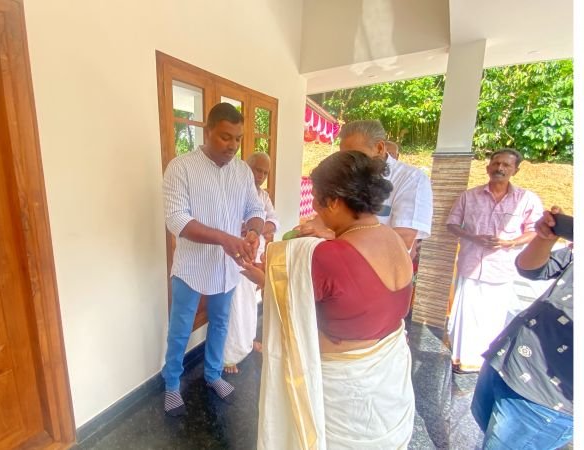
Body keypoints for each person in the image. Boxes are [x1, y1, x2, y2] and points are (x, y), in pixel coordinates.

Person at [243, 151, 415, 448]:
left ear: (334, 202)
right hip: (389, 390)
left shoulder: (327, 256)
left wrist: (262, 280)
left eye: (317, 200)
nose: (314, 210)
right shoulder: (394, 239)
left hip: (345, 397)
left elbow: (290, 305)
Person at [161, 103, 266, 416]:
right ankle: (171, 384)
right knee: (181, 329)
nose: (232, 145)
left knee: (221, 322)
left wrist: (253, 232)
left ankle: (213, 374)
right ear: (207, 132)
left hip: (227, 267)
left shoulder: (242, 171)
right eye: (225, 137)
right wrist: (223, 237)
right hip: (191, 268)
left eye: (238, 138)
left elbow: (255, 209)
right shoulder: (181, 168)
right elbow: (177, 220)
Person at [471, 206, 573, 449]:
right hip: (507, 361)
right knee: (487, 431)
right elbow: (531, 269)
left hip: (544, 396)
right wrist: (544, 239)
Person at [446, 148, 543, 373]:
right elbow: (452, 224)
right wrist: (473, 237)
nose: (500, 168)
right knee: (466, 316)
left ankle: (483, 361)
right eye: (496, 163)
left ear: (515, 170)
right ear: (488, 167)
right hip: (471, 265)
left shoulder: (526, 199)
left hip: (501, 268)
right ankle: (461, 359)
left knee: (492, 318)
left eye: (506, 165)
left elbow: (535, 230)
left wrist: (511, 242)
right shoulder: (469, 196)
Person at [298, 120, 432, 255]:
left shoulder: (413, 179)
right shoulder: (348, 172)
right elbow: (332, 211)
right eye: (345, 157)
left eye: (356, 155)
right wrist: (314, 226)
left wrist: (333, 235)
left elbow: (403, 240)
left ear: (379, 148)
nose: (349, 163)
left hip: (378, 264)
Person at [222, 152, 279, 374]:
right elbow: (228, 223)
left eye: (265, 172)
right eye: (257, 170)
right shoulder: (232, 191)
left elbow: (274, 221)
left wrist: (256, 228)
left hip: (257, 257)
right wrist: (251, 228)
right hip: (237, 256)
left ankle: (247, 343)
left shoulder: (263, 196)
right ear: (247, 167)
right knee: (236, 305)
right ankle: (230, 356)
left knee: (251, 304)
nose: (261, 176)